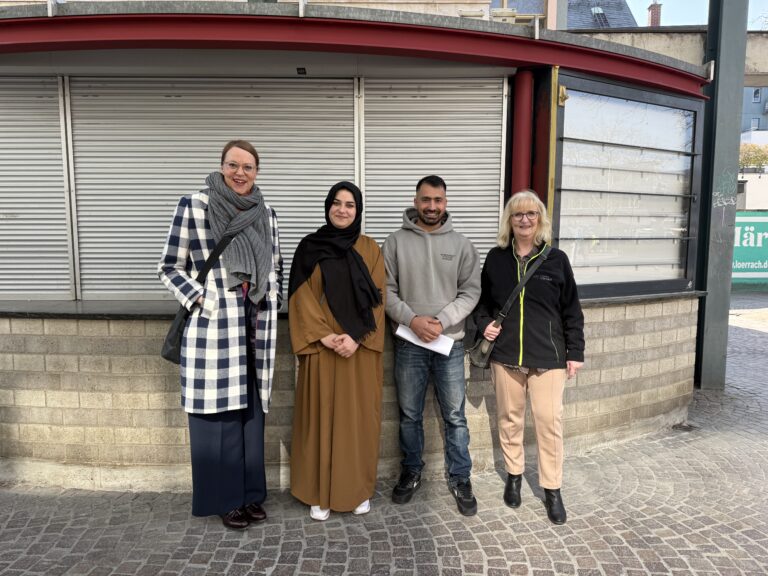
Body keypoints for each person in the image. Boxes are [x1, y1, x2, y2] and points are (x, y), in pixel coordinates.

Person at [158, 140, 283, 530]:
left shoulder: (268, 213)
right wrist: (203, 298)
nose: (240, 173)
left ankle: (249, 495)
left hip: (254, 327)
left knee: (249, 417)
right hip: (212, 328)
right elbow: (169, 266)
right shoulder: (194, 205)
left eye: (248, 167)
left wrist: (270, 295)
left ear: (257, 172)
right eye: (233, 165)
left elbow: (276, 263)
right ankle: (225, 500)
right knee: (218, 418)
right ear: (221, 166)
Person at [474, 189, 584, 525]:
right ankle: (514, 476)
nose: (524, 220)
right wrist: (484, 325)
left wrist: (575, 352)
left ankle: (552, 489)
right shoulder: (495, 259)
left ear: (540, 220)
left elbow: (572, 310)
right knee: (510, 419)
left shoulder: (557, 260)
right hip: (506, 355)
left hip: (548, 356)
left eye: (531, 214)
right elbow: (481, 304)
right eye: (518, 214)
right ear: (510, 220)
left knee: (549, 423)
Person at [382, 175, 481, 516]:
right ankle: (411, 471)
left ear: (446, 202)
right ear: (415, 200)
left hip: (449, 344)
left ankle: (460, 477)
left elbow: (471, 291)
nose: (432, 206)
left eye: (438, 200)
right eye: (426, 199)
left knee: (455, 415)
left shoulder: (463, 245)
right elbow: (386, 292)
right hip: (408, 343)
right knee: (409, 415)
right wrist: (413, 320)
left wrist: (439, 321)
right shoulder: (394, 243)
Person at [288, 181, 386, 521]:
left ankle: (355, 489)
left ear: (358, 211)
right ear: (328, 206)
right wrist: (324, 336)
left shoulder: (370, 249)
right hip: (322, 350)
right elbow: (300, 297)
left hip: (357, 351)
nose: (342, 210)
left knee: (357, 422)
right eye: (337, 203)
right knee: (320, 419)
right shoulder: (309, 247)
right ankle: (319, 492)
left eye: (350, 205)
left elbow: (378, 298)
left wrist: (355, 337)